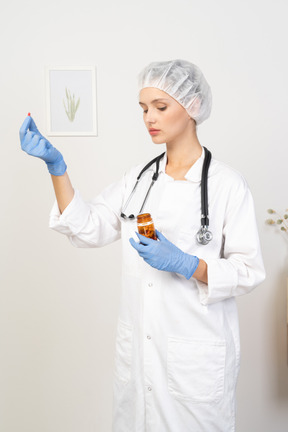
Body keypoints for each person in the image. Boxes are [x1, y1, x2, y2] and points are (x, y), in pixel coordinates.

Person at [19, 59, 266, 432]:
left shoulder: (226, 185)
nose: (149, 117)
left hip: (195, 361)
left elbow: (249, 271)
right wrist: (57, 168)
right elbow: (89, 228)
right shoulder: (138, 179)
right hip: (140, 357)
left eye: (160, 107)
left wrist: (189, 264)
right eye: (144, 108)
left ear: (193, 106)